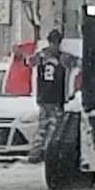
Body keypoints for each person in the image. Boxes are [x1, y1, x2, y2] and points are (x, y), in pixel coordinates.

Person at [25, 29, 76, 163]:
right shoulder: (63, 57)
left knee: (43, 126)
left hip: (44, 96)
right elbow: (78, 64)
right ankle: (49, 153)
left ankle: (36, 153)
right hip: (55, 96)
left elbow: (29, 62)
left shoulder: (42, 56)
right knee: (55, 127)